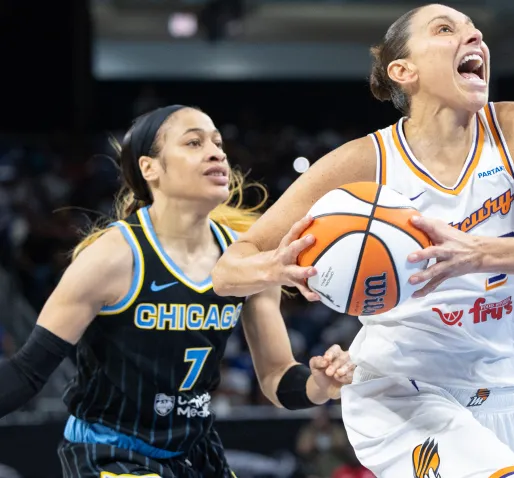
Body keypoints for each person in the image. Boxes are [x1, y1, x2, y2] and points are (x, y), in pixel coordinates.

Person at [211, 4, 514, 477]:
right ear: (402, 71)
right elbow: (228, 272)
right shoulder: (364, 162)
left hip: (503, 397)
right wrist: (279, 267)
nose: (475, 38)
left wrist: (477, 252)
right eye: (447, 30)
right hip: (398, 392)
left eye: (475, 31)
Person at [0, 105, 356, 478]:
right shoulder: (110, 258)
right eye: (194, 142)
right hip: (110, 450)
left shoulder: (247, 260)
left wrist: (319, 384)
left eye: (218, 143)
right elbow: (27, 372)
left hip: (194, 452)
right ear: (149, 168)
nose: (217, 151)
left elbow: (277, 378)